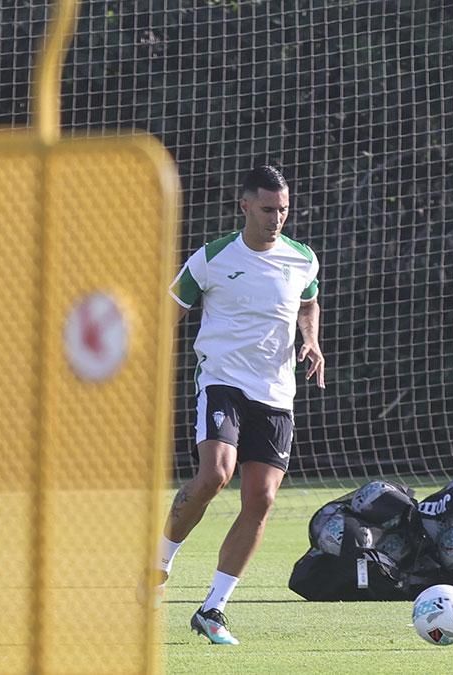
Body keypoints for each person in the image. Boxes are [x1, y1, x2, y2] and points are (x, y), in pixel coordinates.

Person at [155, 165, 325, 645]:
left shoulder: (302, 259)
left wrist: (310, 341)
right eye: (268, 209)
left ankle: (213, 609)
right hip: (223, 382)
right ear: (245, 205)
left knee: (262, 499)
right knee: (214, 474)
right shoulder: (212, 258)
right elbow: (169, 311)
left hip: (276, 393)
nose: (277, 218)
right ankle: (158, 565)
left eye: (284, 210)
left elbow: (308, 303)